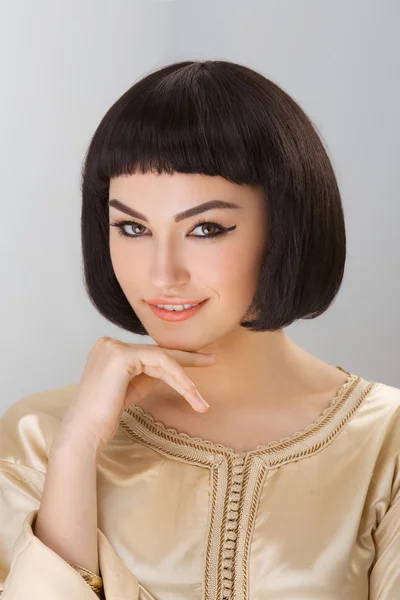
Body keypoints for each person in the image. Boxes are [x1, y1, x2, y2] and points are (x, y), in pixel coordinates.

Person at [0, 59, 399, 600]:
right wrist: (75, 450)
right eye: (132, 227)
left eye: (206, 228)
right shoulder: (38, 437)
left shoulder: (385, 443)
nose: (162, 274)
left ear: (286, 225)